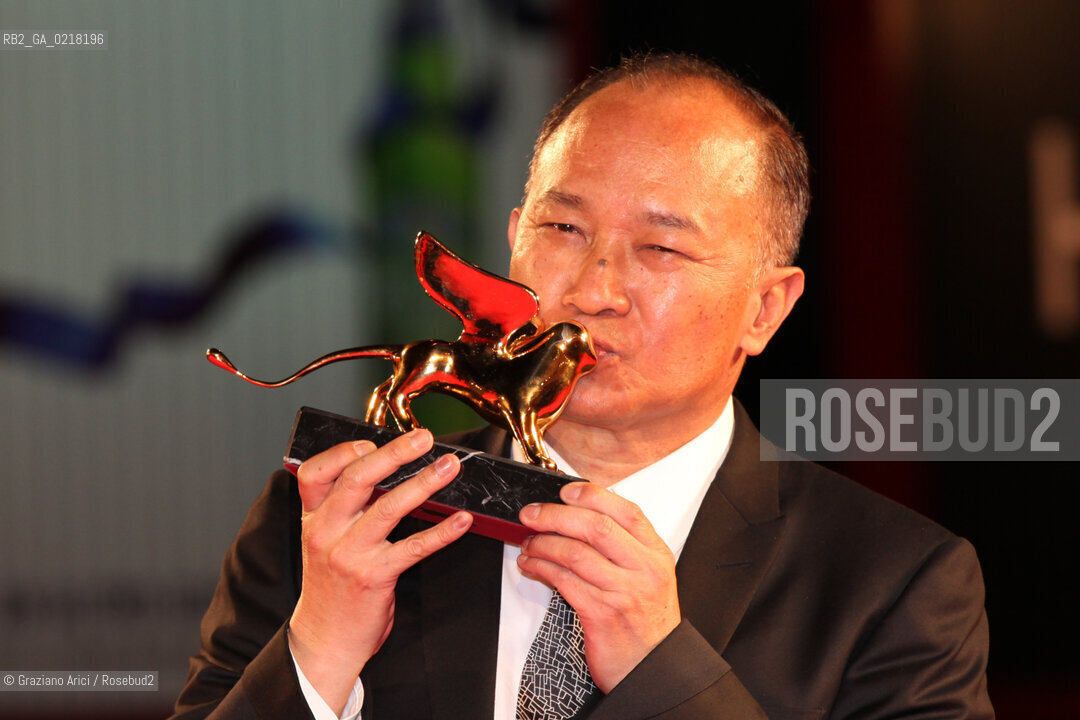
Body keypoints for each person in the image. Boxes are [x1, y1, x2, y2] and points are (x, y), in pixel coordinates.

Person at [174, 53, 993, 719]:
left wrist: (663, 671)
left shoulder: (893, 585)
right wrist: (316, 658)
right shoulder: (331, 522)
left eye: (662, 249)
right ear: (514, 239)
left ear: (766, 308)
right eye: (562, 229)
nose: (594, 288)